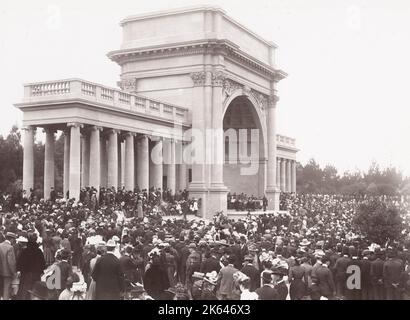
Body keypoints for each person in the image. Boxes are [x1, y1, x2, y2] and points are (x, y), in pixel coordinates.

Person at [16, 233, 46, 300]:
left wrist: (20, 271)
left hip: (26, 275)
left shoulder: (24, 251)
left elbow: (19, 263)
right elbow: (43, 264)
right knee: (35, 291)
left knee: (25, 291)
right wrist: (41, 271)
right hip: (36, 274)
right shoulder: (39, 251)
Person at [0, 232, 17, 300]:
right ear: (11, 239)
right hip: (7, 273)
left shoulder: (0, 245)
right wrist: (14, 273)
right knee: (6, 290)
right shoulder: (10, 248)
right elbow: (11, 262)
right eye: (14, 239)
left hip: (0, 271)